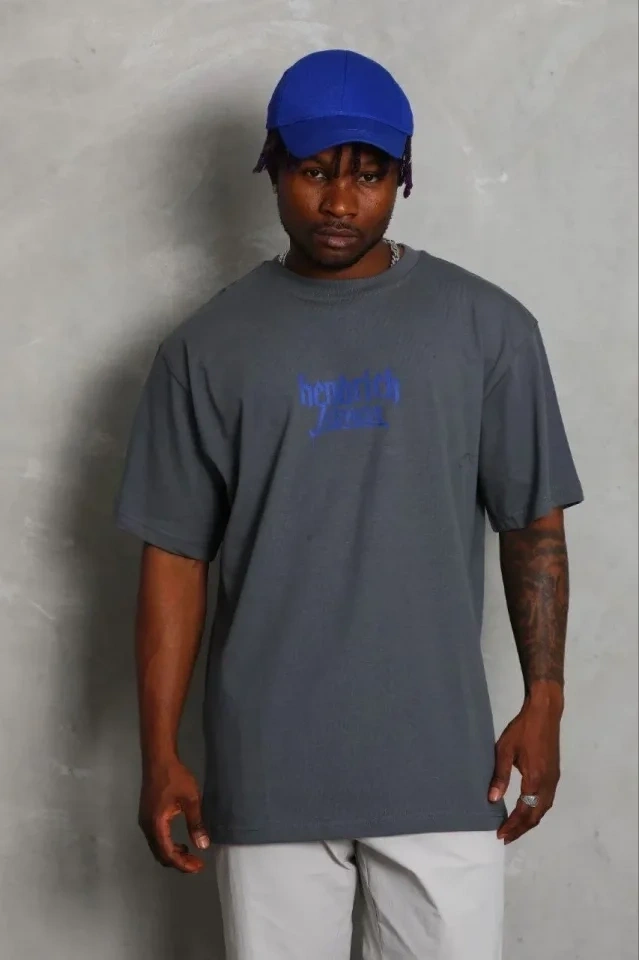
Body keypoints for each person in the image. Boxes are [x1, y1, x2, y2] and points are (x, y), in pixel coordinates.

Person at [114, 48, 584, 960]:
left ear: (403, 177)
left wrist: (546, 702)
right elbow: (173, 556)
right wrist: (159, 752)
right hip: (267, 769)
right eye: (313, 171)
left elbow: (532, 526)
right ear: (272, 169)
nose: (338, 201)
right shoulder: (204, 350)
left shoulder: (487, 329)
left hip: (442, 767)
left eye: (367, 175)